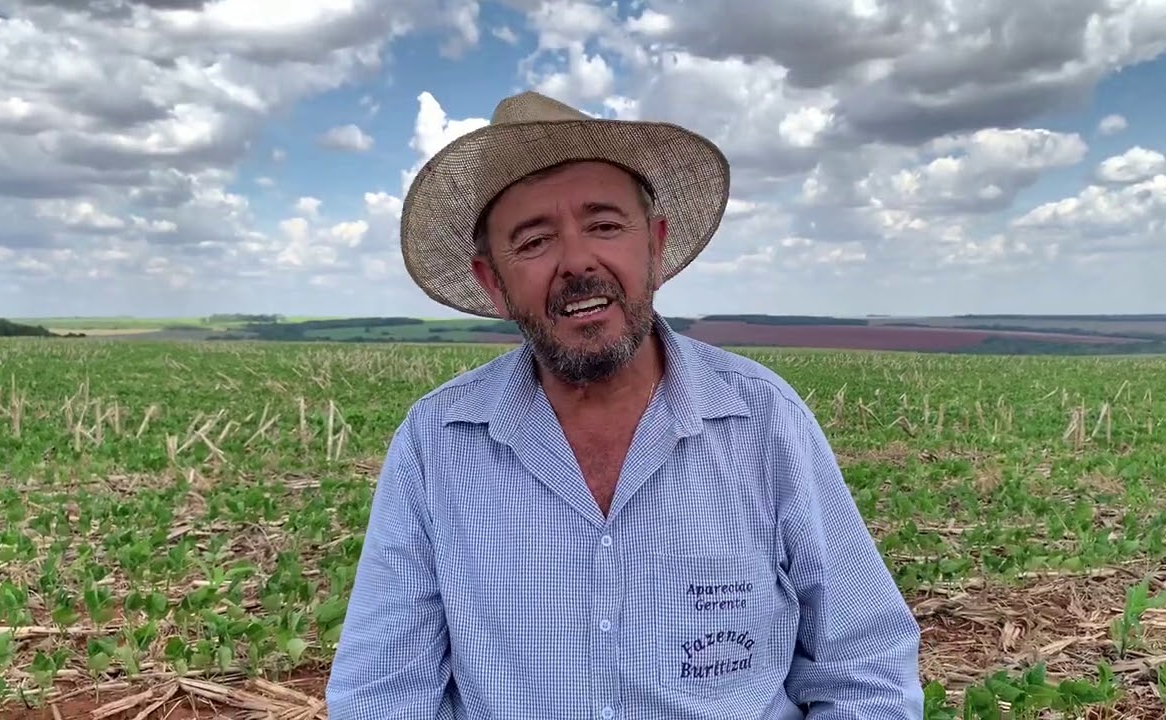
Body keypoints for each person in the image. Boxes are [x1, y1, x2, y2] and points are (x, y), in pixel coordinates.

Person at [325, 90, 923, 719]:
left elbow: (866, 671)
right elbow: (382, 697)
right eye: (534, 242)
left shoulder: (764, 420)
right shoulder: (436, 443)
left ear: (656, 247)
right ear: (493, 283)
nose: (577, 261)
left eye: (605, 226)